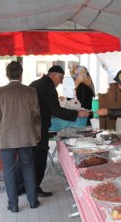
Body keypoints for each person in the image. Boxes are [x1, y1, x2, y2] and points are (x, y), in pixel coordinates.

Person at [19, 65, 89, 197]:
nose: (61, 82)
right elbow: (56, 110)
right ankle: (34, 188)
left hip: (29, 126)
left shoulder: (35, 83)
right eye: (61, 78)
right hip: (39, 127)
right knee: (39, 159)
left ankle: (23, 186)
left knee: (30, 158)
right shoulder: (48, 86)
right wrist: (77, 114)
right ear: (54, 75)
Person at [0, 61, 41, 213]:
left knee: (9, 171)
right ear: (21, 74)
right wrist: (37, 133)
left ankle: (13, 205)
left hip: (6, 138)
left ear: (7, 75)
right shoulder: (31, 91)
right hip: (27, 136)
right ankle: (33, 201)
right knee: (28, 168)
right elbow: (36, 116)